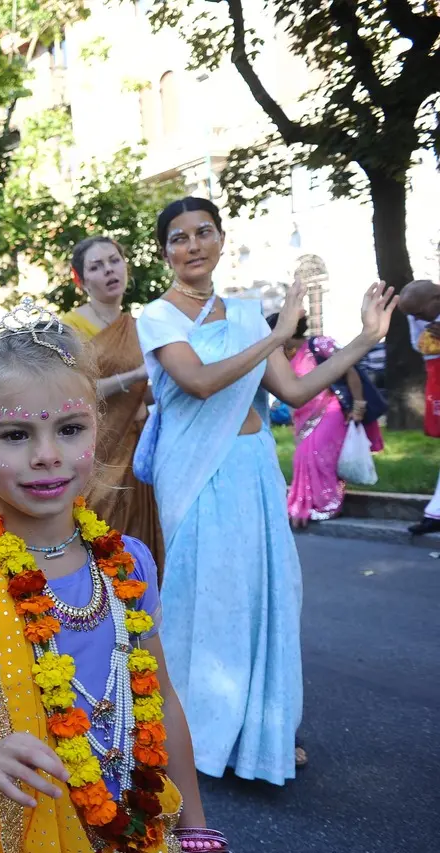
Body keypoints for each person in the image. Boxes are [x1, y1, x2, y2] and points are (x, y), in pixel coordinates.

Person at [0, 305, 242, 853]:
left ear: (98, 428)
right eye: (14, 437)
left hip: (135, 845)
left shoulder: (131, 563)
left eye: (69, 429)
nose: (46, 457)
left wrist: (199, 841)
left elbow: (162, 701)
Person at [135, 196, 393, 782]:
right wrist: (276, 333)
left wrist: (363, 338)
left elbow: (296, 393)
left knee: (264, 596)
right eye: (179, 237)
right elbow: (198, 383)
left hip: (252, 466)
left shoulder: (248, 314)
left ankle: (261, 730)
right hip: (195, 473)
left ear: (222, 240)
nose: (193, 245)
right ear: (165, 251)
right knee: (204, 598)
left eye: (204, 232)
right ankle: (196, 731)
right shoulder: (157, 316)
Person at [63, 237, 164, 574]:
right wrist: (135, 376)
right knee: (98, 543)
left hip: (138, 446)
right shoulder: (70, 328)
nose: (108, 270)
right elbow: (71, 391)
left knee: (139, 547)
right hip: (95, 451)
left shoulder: (138, 327)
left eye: (114, 260)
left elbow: (143, 392)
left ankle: (140, 619)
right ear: (82, 280)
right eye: (96, 266)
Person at [274, 311, 381, 527]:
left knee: (321, 458)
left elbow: (350, 370)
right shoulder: (280, 355)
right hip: (303, 416)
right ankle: (306, 505)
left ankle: (328, 504)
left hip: (330, 409)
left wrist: (358, 405)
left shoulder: (319, 344)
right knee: (303, 460)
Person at [397, 279, 440, 536]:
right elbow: (419, 345)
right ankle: (435, 513)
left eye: (420, 313)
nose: (417, 319)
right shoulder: (420, 315)